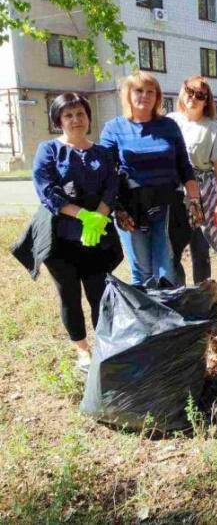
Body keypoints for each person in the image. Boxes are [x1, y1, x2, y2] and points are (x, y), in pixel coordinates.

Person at [30, 93, 121, 370]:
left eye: (80, 113)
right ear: (58, 120)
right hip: (60, 239)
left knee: (99, 293)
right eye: (68, 115)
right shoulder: (48, 150)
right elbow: (46, 190)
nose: (75, 119)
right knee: (69, 295)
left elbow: (112, 186)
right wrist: (84, 216)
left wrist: (100, 218)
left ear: (88, 117)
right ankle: (82, 349)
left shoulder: (102, 153)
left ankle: (105, 344)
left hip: (97, 237)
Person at [100, 71, 202, 287]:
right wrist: (118, 208)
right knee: (142, 270)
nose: (144, 96)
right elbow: (107, 174)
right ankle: (148, 318)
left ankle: (171, 316)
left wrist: (194, 200)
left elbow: (184, 166)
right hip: (131, 207)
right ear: (127, 94)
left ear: (157, 96)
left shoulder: (168, 126)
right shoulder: (113, 128)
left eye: (150, 91)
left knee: (167, 268)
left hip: (167, 206)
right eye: (139, 90)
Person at [167, 76, 217, 284]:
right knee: (171, 251)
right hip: (173, 193)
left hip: (202, 195)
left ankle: (201, 297)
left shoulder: (213, 128)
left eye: (200, 95)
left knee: (200, 250)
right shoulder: (169, 122)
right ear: (181, 92)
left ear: (207, 100)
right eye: (189, 91)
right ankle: (179, 295)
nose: (193, 98)